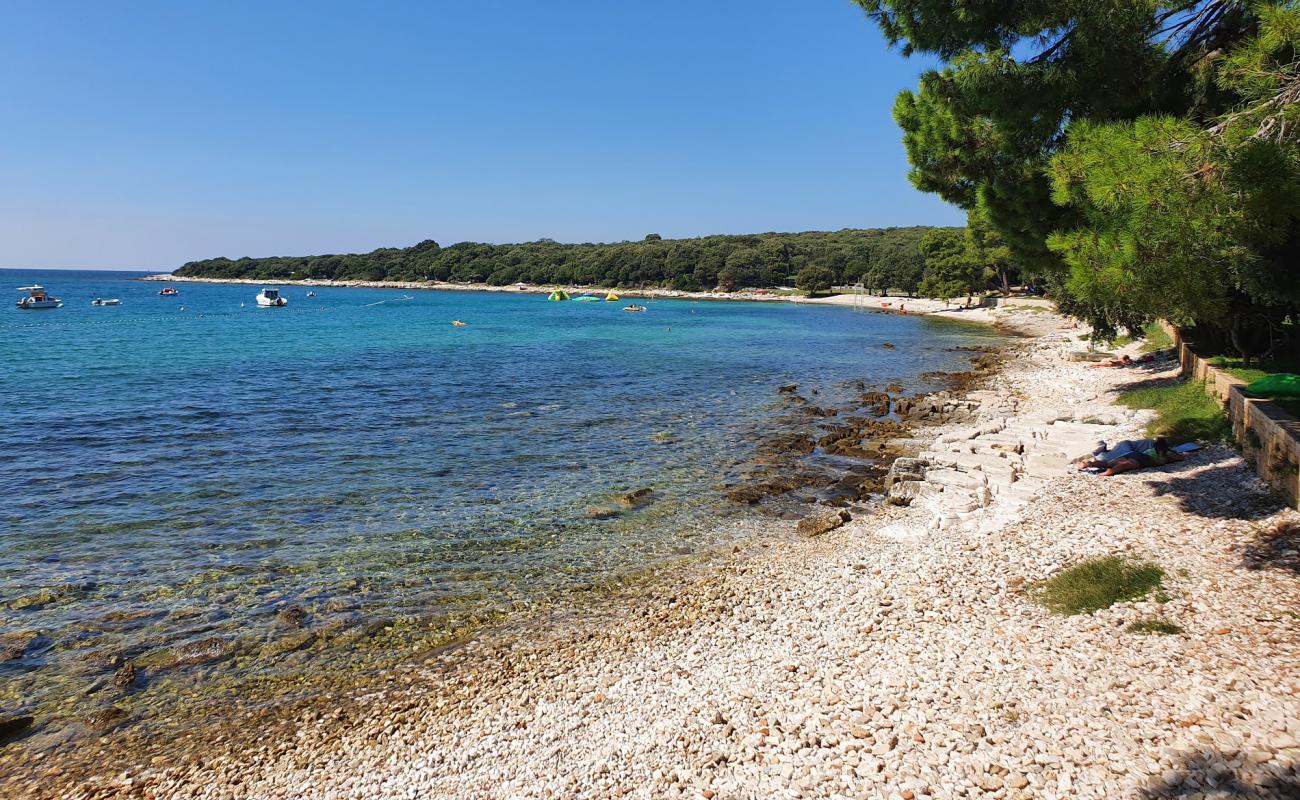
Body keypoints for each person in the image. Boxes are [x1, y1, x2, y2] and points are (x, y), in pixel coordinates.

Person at [1080, 437, 1184, 476]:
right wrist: (1169, 456)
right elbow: (1181, 458)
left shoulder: (1150, 449)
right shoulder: (1166, 455)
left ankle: (1089, 463)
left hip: (1136, 454)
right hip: (1144, 459)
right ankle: (1109, 472)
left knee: (1109, 463)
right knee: (1125, 465)